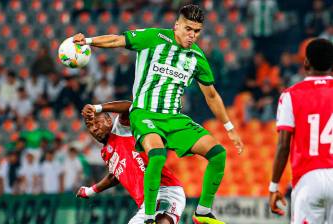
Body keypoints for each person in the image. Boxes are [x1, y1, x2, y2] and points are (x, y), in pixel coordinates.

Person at [74, 5, 244, 224]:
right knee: (157, 153)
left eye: (197, 31)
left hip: (174, 118)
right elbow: (117, 40)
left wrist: (229, 128)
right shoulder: (155, 37)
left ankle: (202, 212)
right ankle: (148, 216)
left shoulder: (197, 57)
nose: (192, 35)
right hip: (144, 113)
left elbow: (211, 96)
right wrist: (87, 41)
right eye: (188, 28)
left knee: (218, 153)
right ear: (177, 25)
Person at [77, 101, 185, 224]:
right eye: (89, 125)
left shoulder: (121, 128)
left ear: (109, 120)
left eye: (97, 122)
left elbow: (129, 106)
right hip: (147, 203)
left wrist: (97, 108)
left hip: (164, 190)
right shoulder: (105, 152)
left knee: (161, 220)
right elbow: (114, 176)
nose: (94, 128)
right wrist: (89, 191)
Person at [269, 38, 333, 223]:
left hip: (308, 178)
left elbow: (283, 146)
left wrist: (274, 186)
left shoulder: (291, 95)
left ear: (306, 62)